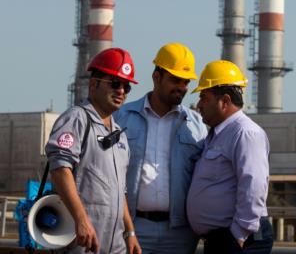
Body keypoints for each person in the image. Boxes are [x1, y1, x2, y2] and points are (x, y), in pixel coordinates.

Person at [45, 48, 142, 254]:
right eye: (115, 84)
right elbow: (60, 170)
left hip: (115, 245)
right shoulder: (76, 119)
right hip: (82, 241)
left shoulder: (119, 135)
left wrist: (130, 233)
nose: (121, 91)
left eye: (126, 87)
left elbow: (120, 191)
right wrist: (81, 220)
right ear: (93, 84)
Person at [115, 43, 207, 254]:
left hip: (180, 232)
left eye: (186, 82)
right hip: (133, 227)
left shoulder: (196, 125)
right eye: (175, 80)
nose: (182, 87)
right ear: (156, 77)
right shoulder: (122, 118)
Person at [186, 60, 273, 254]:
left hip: (240, 239)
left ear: (224, 101)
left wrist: (238, 234)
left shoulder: (245, 133)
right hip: (223, 238)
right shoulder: (218, 134)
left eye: (204, 97)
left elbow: (254, 185)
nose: (199, 104)